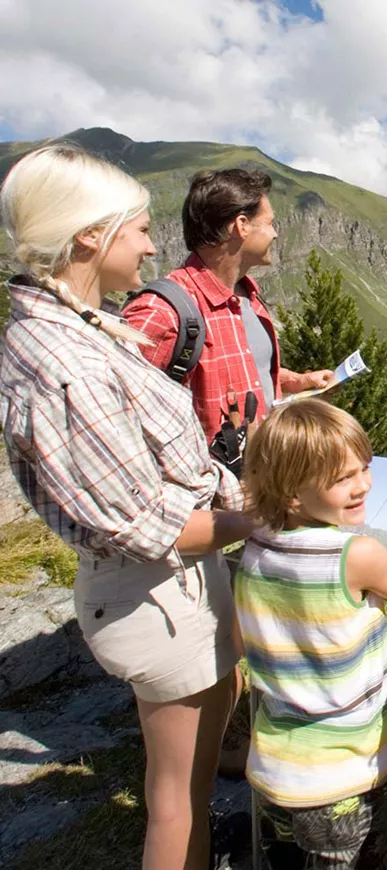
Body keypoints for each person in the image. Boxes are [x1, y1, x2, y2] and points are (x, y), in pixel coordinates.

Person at [0, 144, 253, 870]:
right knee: (174, 799)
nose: (151, 243)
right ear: (90, 236)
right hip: (155, 599)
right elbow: (148, 526)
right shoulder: (62, 364)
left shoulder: (80, 329)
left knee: (190, 783)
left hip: (177, 587)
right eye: (138, 228)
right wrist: (262, 521)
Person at [235, 398, 387, 869]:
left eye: (365, 468)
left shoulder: (256, 539)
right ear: (293, 494)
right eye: (344, 478)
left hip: (275, 766)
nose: (364, 484)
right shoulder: (354, 555)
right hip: (346, 777)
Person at [122, 167, 332, 459]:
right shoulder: (163, 311)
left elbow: (240, 374)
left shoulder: (249, 298)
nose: (275, 233)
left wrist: (299, 382)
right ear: (242, 225)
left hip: (262, 483)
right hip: (208, 497)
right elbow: (119, 421)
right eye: (270, 223)